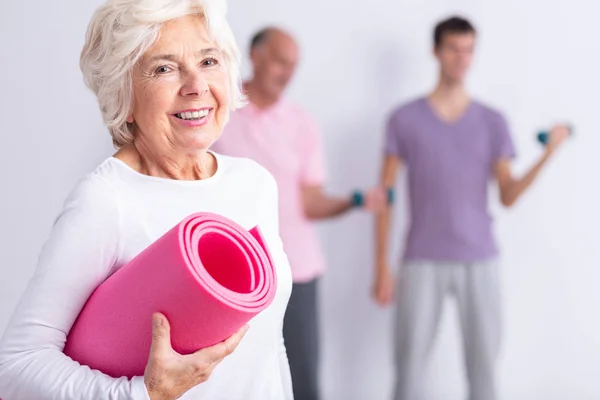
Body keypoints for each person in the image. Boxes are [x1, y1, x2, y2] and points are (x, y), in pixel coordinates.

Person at [0, 1, 295, 399]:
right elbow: (17, 364)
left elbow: (268, 344)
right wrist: (144, 395)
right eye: (164, 68)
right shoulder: (107, 199)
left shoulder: (254, 183)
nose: (196, 85)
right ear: (123, 91)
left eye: (208, 61)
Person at [372, 16, 570, 400]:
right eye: (453, 49)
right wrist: (381, 265)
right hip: (421, 260)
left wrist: (548, 154)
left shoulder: (493, 121)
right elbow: (385, 197)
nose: (462, 58)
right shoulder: (404, 119)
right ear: (436, 51)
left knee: (484, 373)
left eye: (469, 50)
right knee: (408, 369)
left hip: (480, 259)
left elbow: (508, 195)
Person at [211, 27, 386, 400]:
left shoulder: (302, 123)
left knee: (302, 377)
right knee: (228, 377)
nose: (287, 73)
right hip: (230, 272)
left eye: (293, 66)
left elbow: (310, 202)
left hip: (297, 271)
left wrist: (354, 200)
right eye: (279, 61)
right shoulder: (217, 111)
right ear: (255, 56)